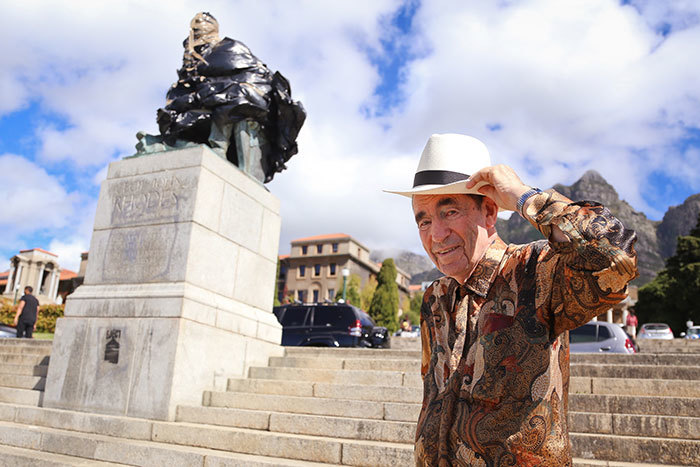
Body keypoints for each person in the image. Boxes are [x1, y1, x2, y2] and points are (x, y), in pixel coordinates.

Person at [386, 134, 637, 466]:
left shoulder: (537, 270)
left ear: (490, 210)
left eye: (449, 212)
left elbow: (615, 255)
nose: (436, 235)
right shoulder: (435, 298)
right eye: (424, 220)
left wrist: (523, 196)